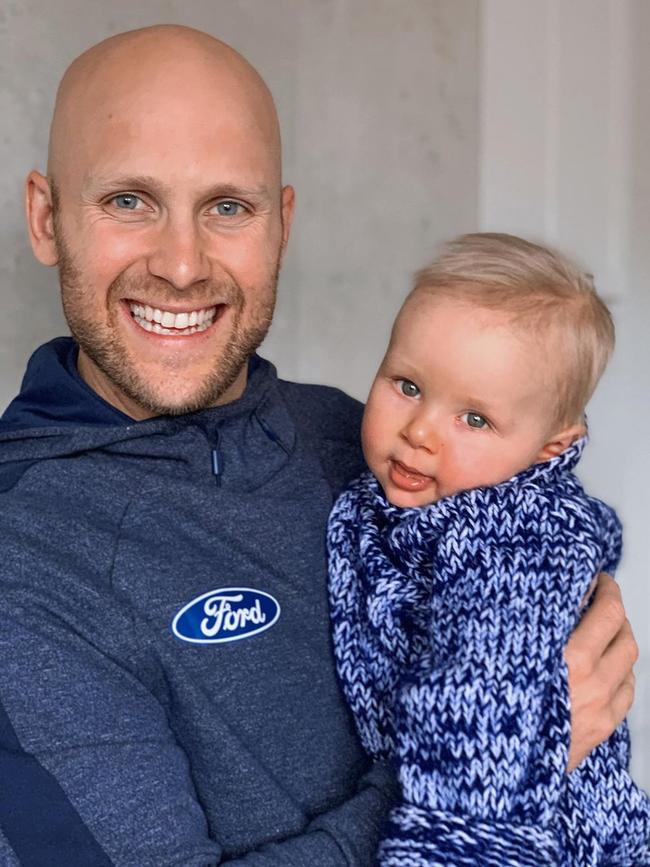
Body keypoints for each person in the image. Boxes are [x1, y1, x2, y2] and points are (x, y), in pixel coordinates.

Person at [0, 24, 639, 866]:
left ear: (281, 224)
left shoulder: (365, 442)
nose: (184, 265)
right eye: (129, 201)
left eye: (228, 207)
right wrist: (498, 749)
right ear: (46, 218)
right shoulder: (27, 553)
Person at [328, 233, 650, 865]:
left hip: (540, 836)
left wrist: (452, 850)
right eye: (407, 385)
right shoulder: (391, 502)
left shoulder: (516, 541)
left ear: (550, 449)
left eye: (474, 419)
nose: (419, 432)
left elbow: (478, 705)